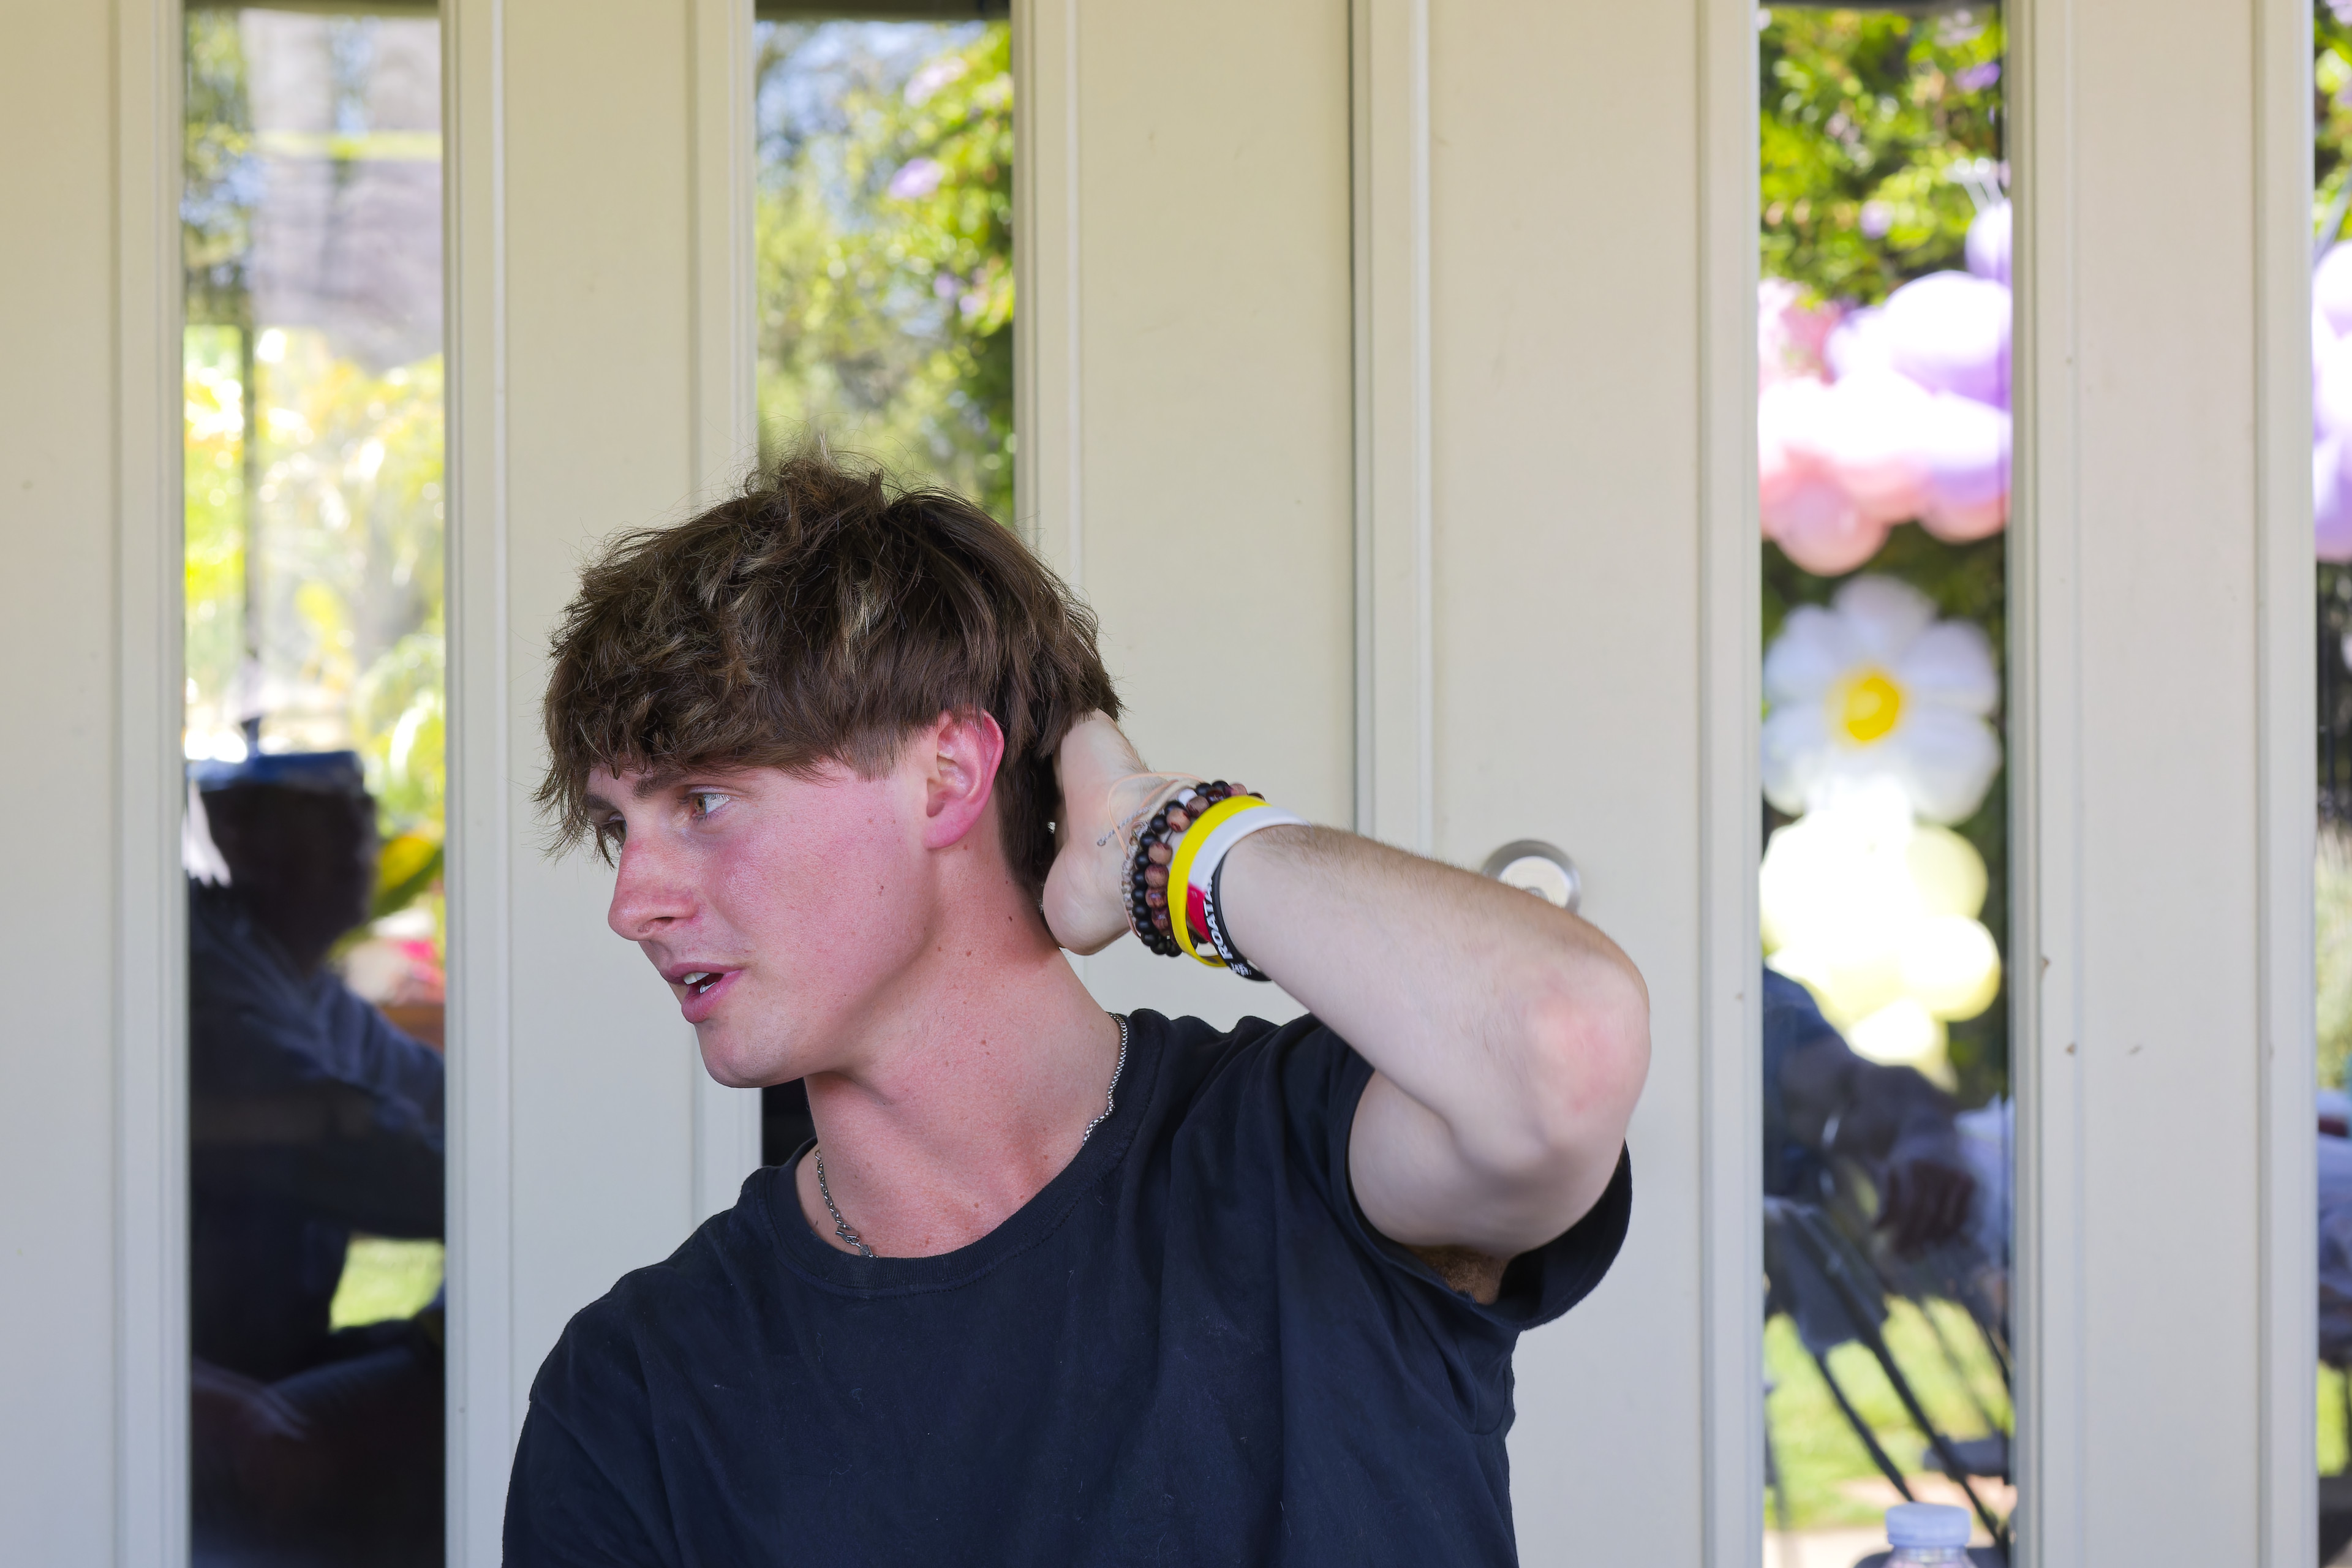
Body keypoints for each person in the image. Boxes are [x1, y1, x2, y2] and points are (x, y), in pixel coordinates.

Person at [503, 450, 1651, 1565]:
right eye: (617, 828)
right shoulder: (635, 1395)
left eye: (703, 801)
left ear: (947, 775)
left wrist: (1164, 838)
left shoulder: (1304, 1156)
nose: (632, 904)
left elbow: (1565, 1043)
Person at [187, 752, 446, 1565]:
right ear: (243, 841)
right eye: (324, 820)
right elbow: (359, 1157)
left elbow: (448, 1108)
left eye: (360, 817)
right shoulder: (200, 977)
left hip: (275, 1361)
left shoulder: (311, 991)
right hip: (183, 1394)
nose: (361, 840)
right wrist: (514, 1190)